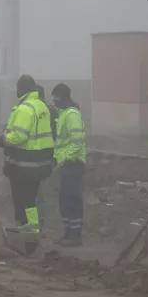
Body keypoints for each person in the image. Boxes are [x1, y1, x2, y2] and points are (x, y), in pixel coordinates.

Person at [0, 75, 55, 232]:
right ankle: (33, 227)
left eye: (18, 87)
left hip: (24, 163)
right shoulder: (41, 106)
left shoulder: (24, 108)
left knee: (21, 196)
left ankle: (24, 227)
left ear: (23, 88)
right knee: (30, 198)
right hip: (40, 161)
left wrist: (1, 139)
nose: (16, 91)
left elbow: (18, 137)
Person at [52, 83, 86, 246]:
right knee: (64, 199)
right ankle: (68, 233)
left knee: (72, 199)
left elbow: (77, 141)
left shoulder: (72, 114)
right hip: (65, 164)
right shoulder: (63, 113)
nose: (54, 101)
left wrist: (66, 159)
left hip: (72, 164)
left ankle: (75, 235)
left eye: (55, 98)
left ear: (62, 97)